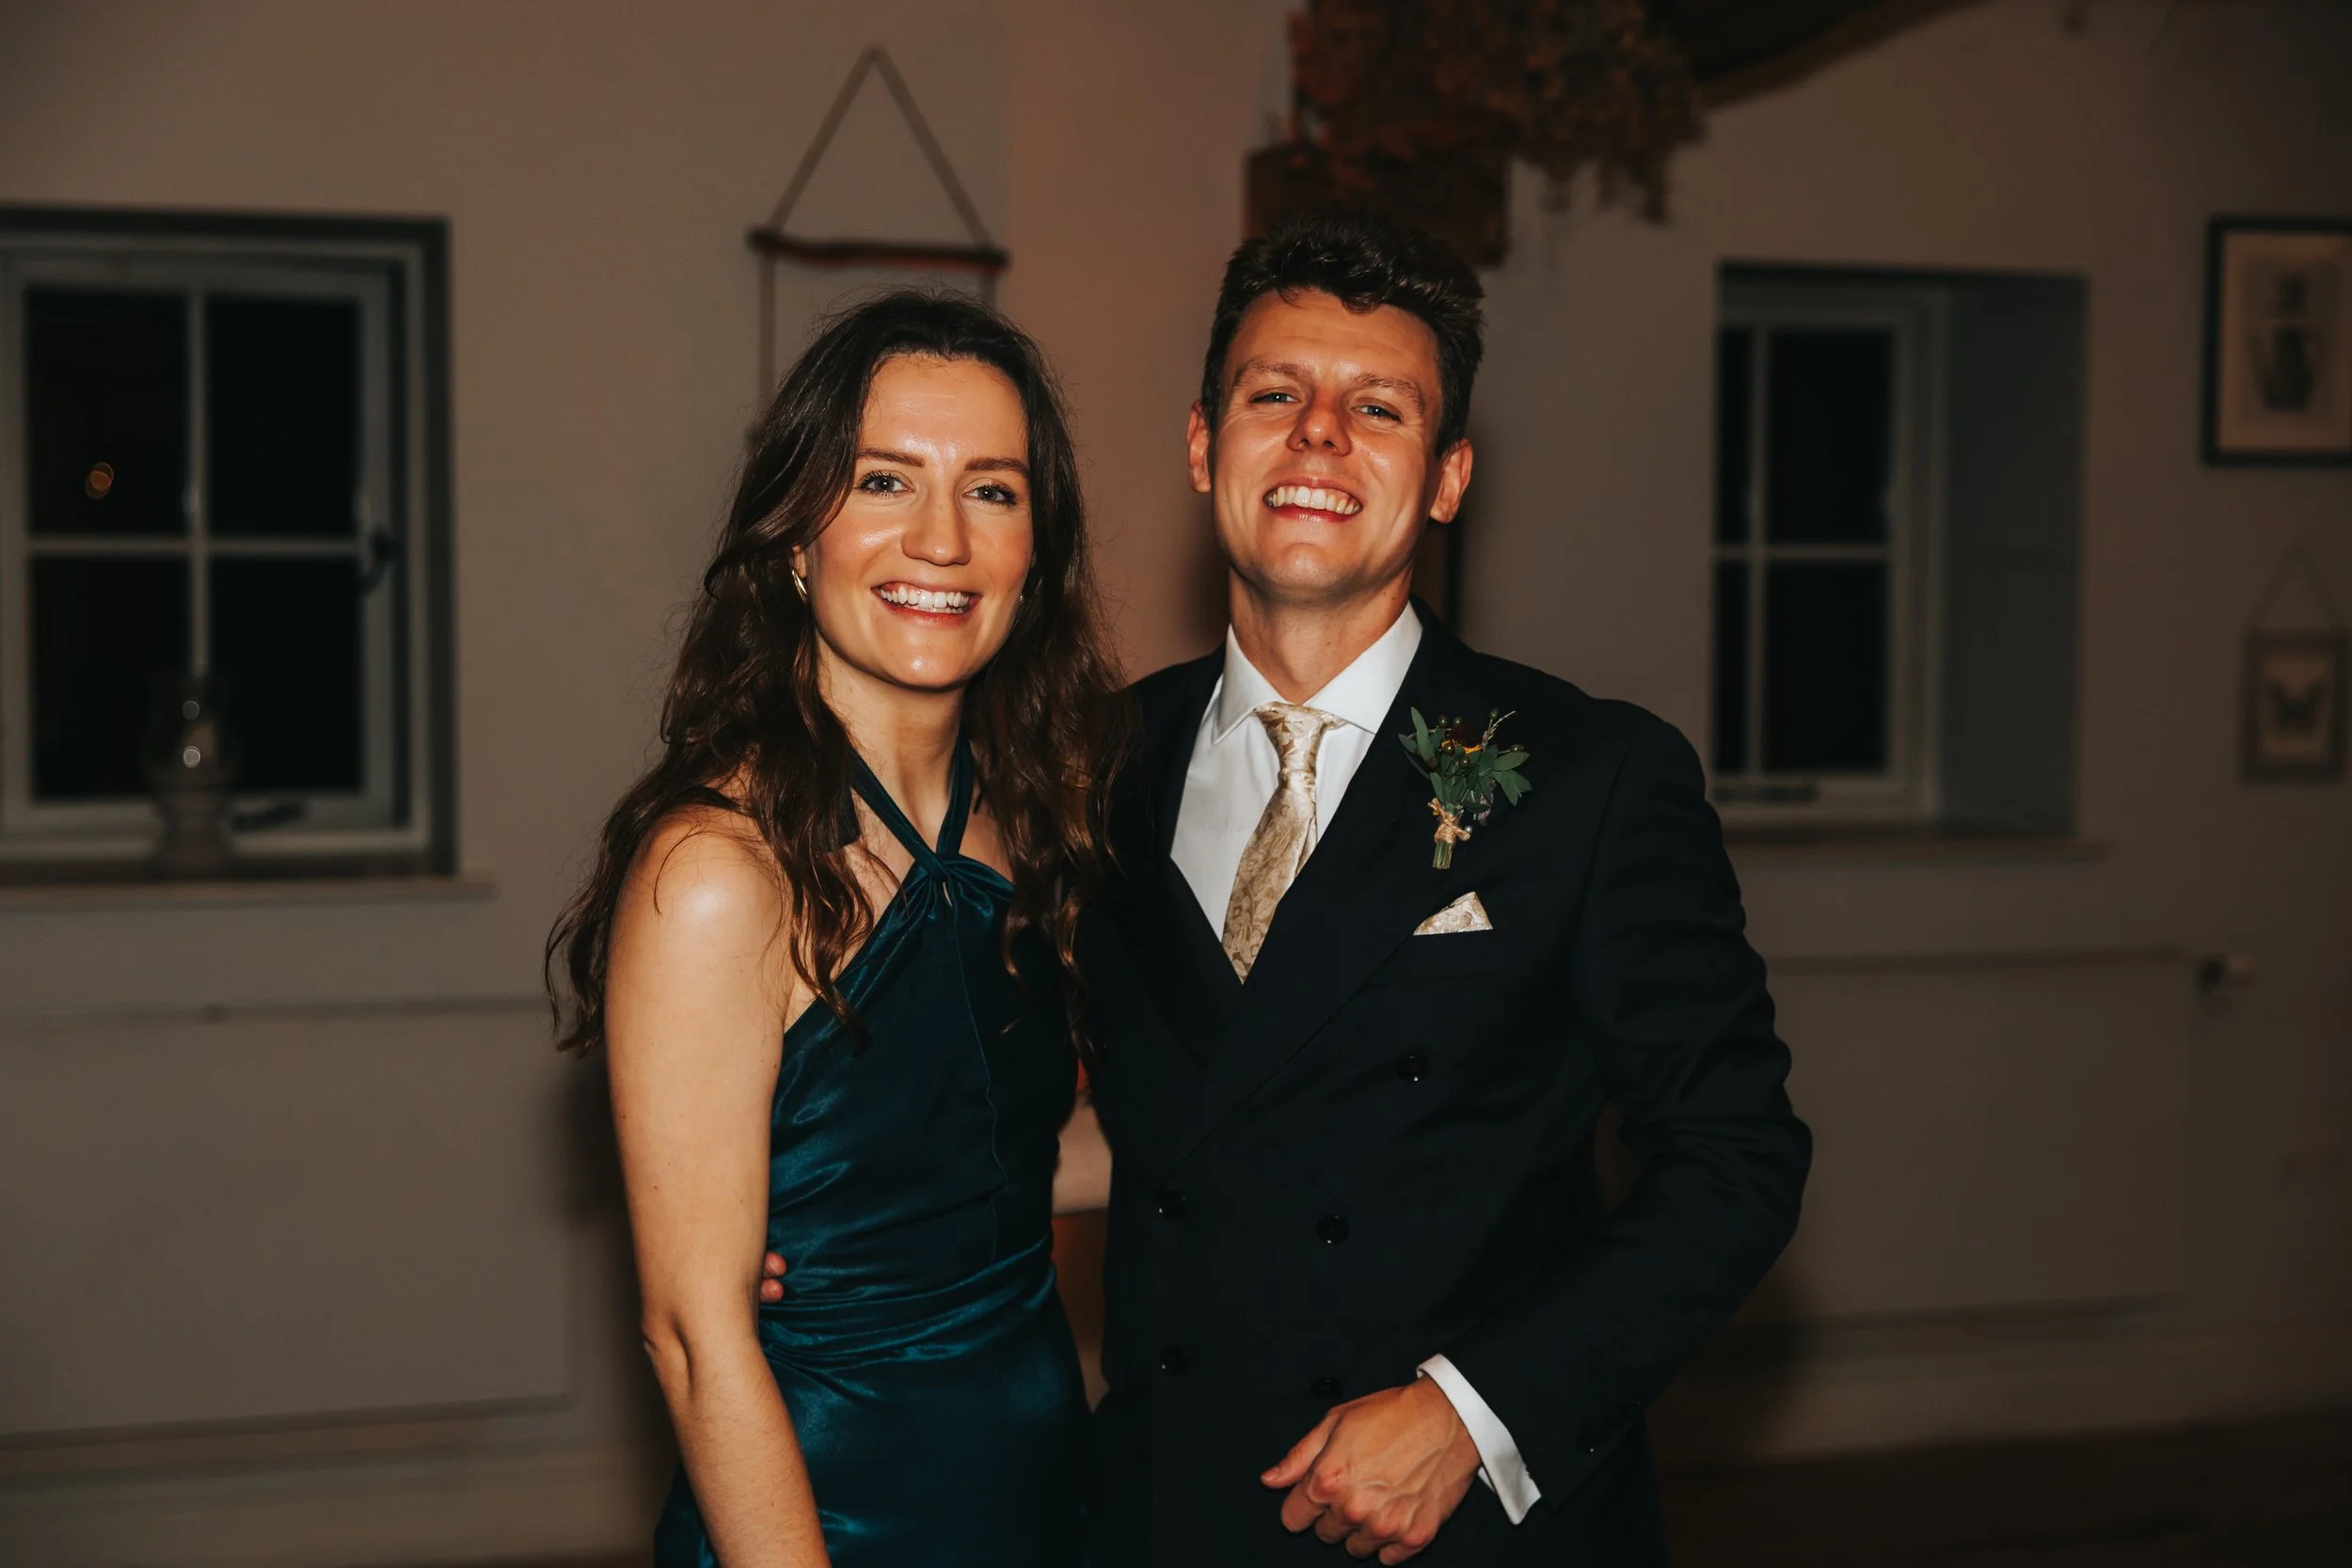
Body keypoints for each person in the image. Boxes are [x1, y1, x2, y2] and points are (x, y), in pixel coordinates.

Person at [1073, 209, 1812, 1565]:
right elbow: (1046, 1105)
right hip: (1164, 1511)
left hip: (1461, 1531)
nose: (1316, 437)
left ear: (1450, 474)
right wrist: (826, 1226)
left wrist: (1472, 1412)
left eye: (1379, 409)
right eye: (1274, 395)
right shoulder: (1096, 763)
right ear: (1202, 444)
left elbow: (1737, 1162)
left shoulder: (1592, 778)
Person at [547, 291, 1127, 1567]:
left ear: (1036, 556)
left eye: (992, 490)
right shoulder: (716, 876)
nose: (941, 538)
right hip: (826, 1517)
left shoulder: (1032, 825)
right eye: (883, 480)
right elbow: (696, 1338)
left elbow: (1005, 1156)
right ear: (797, 536)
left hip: (1044, 1493)